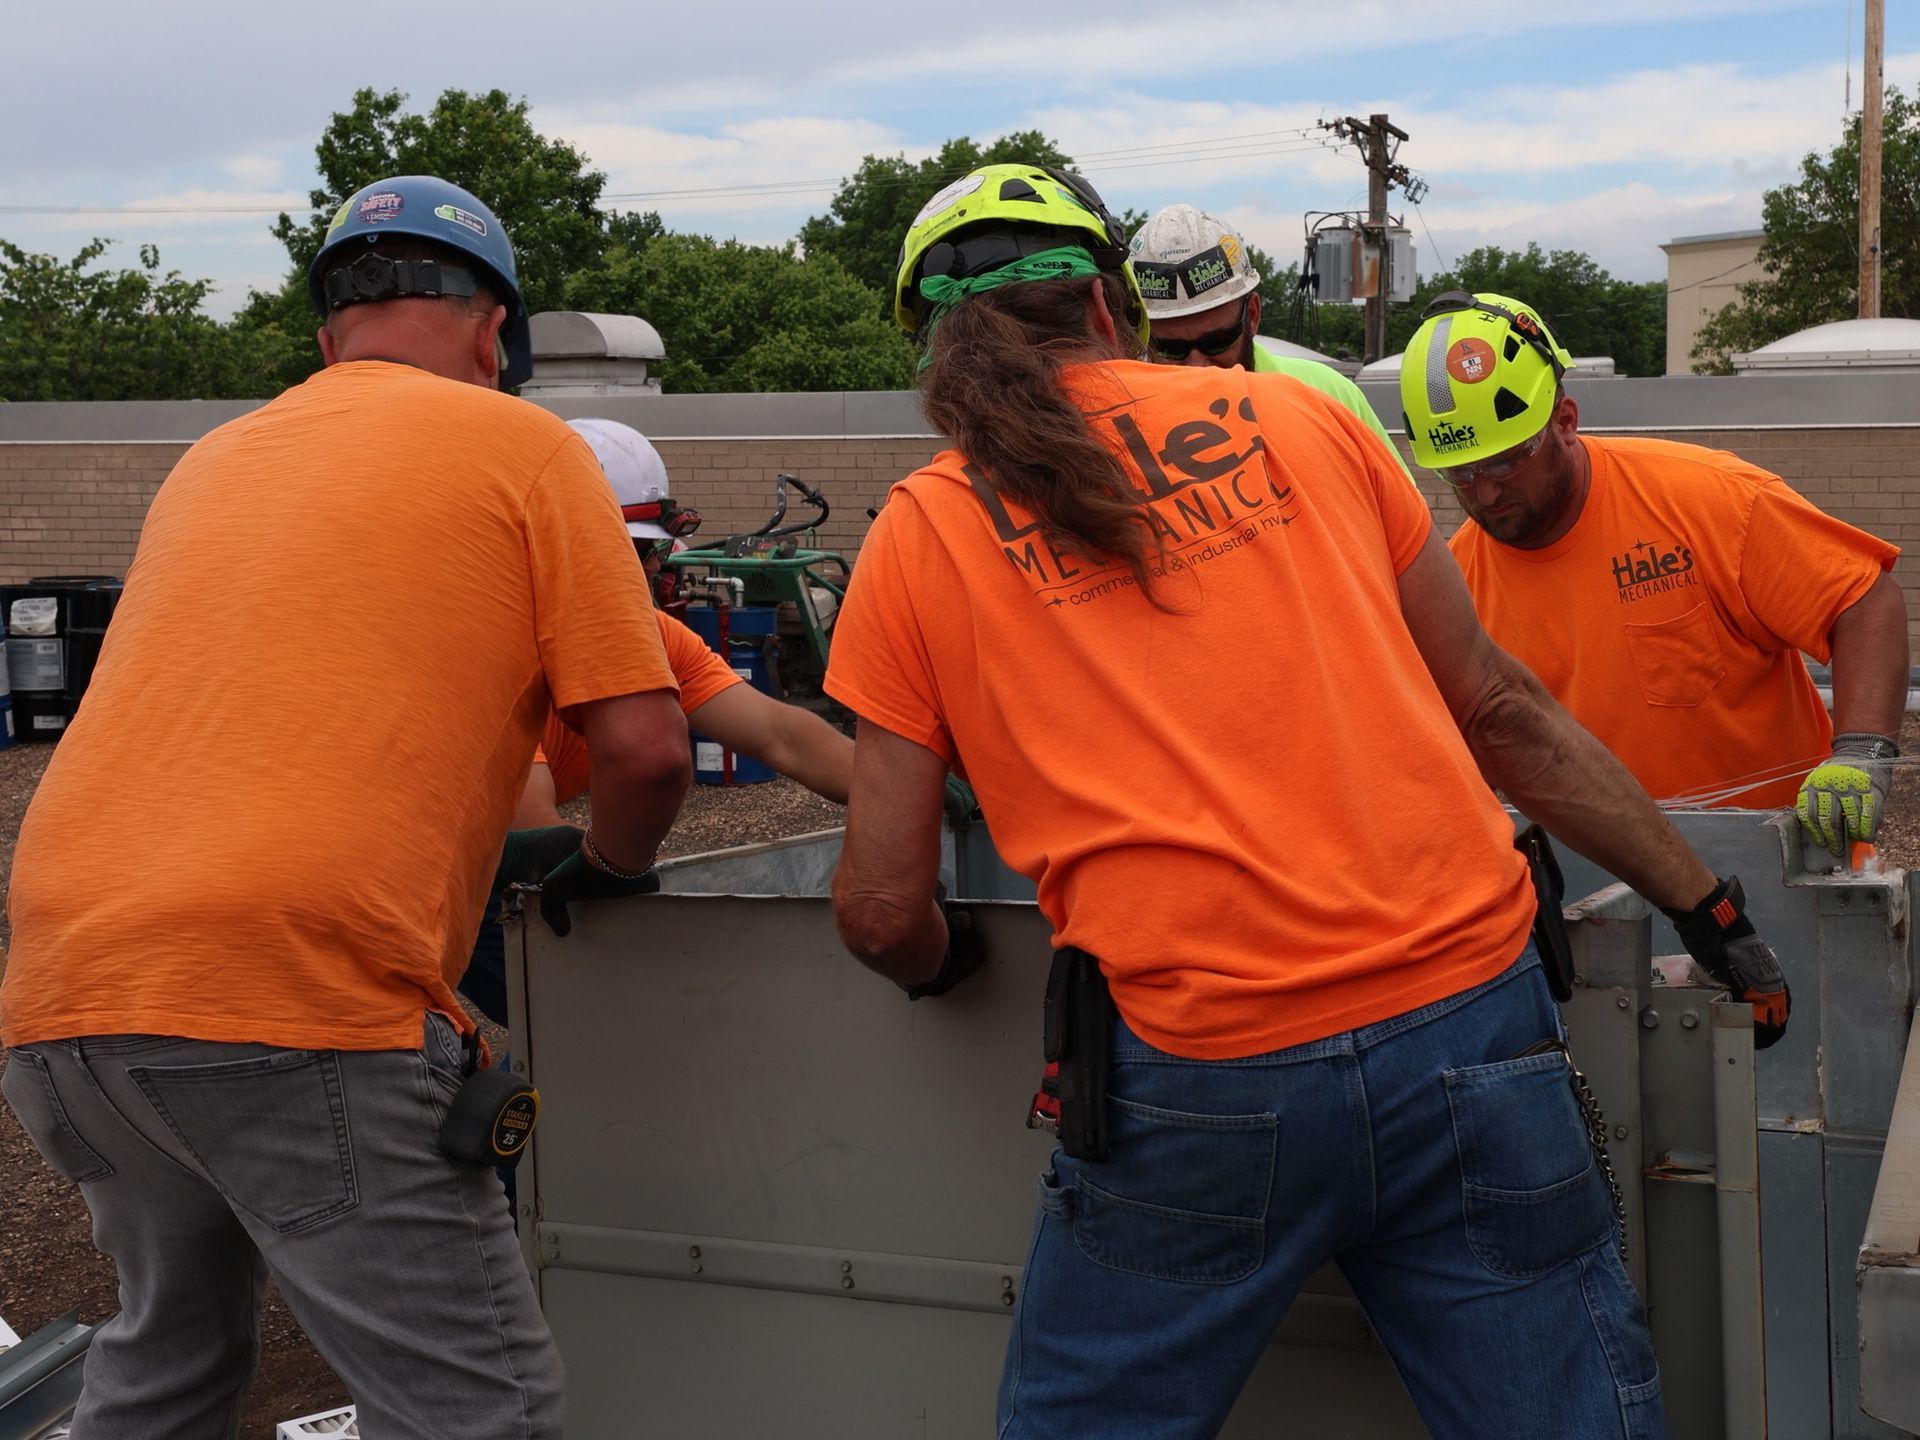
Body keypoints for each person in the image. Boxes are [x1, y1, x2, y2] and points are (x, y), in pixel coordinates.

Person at [826, 159, 1791, 1439]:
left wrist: (949, 964)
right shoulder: (1308, 423)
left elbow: (886, 906)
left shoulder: (921, 531)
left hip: (1201, 1076)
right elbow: (1499, 711)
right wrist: (1712, 911)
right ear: (1110, 306)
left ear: (937, 351)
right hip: (1471, 1026)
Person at [0, 175, 691, 1440]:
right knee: (484, 1410)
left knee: (169, 1369)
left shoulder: (213, 458)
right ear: (497, 333)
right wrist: (611, 864)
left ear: (328, 337)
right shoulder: (527, 446)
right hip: (290, 996)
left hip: (61, 995)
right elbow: (648, 750)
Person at [1398, 290, 1908, 854]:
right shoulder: (1457, 582)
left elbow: (1862, 601)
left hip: (1776, 867)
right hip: (1586, 884)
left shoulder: (1707, 501)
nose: (1486, 491)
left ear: (1564, 421)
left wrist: (1861, 752)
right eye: (1459, 473)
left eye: (1505, 460)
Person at [464, 416, 856, 1023]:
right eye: (629, 550)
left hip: (496, 868)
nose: (650, 570)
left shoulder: (648, 636)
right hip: (422, 884)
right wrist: (612, 864)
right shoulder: (489, 649)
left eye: (650, 550)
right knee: (574, 1026)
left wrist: (902, 782)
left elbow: (783, 735)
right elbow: (536, 835)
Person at [1129, 202, 1409, 476]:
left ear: (1252, 315)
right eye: (1170, 349)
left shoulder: (1327, 393)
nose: (1197, 368)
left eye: (1216, 341)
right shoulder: (1126, 426)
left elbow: (1407, 515)